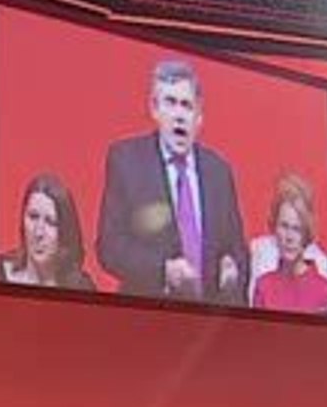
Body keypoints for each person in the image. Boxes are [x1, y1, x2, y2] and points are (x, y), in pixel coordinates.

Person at [96, 59, 248, 304]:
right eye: (170, 103)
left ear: (199, 116)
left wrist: (233, 268)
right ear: (154, 108)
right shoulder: (127, 161)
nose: (179, 116)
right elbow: (110, 248)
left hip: (207, 325)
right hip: (148, 318)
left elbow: (238, 250)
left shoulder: (218, 171)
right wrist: (163, 271)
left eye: (187, 106)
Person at [0, 173, 96, 291]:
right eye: (33, 217)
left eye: (50, 222)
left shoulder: (82, 287)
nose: (38, 233)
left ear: (65, 232)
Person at [252, 175, 327, 314]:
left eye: (297, 229)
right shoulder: (263, 286)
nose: (289, 237)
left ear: (307, 233)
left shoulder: (326, 290)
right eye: (284, 226)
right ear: (274, 228)